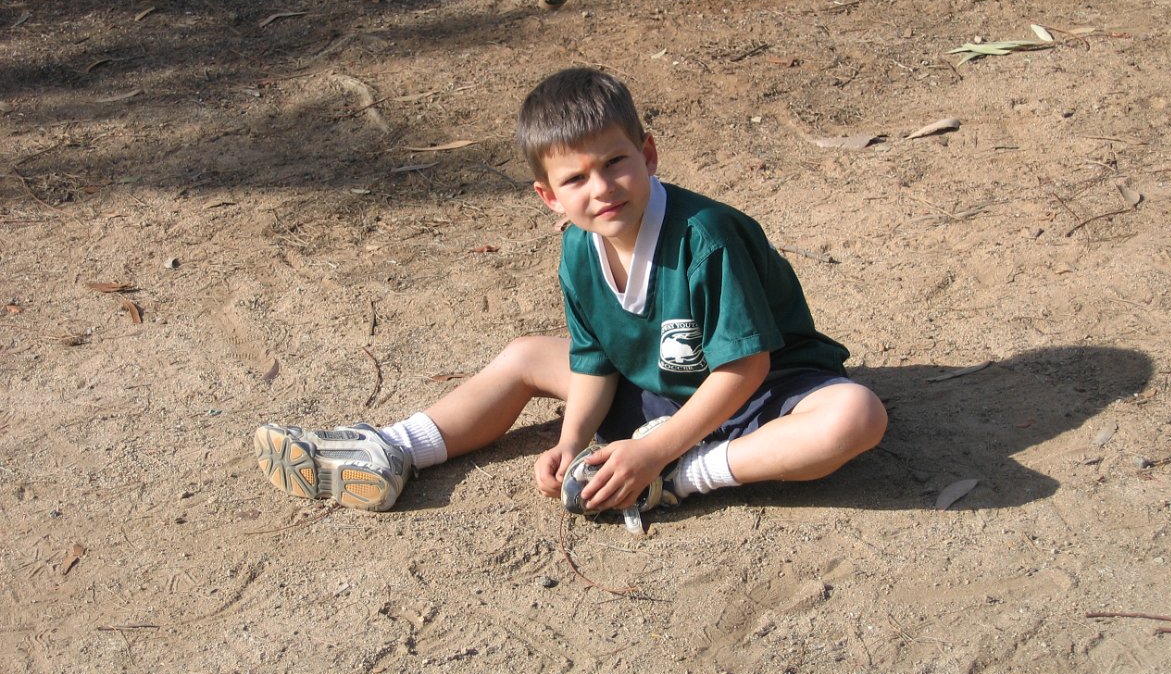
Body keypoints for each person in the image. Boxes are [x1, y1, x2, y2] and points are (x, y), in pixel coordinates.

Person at [254, 67, 887, 525]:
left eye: (615, 163)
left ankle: (680, 477)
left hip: (761, 398)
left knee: (856, 416)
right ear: (549, 197)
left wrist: (656, 453)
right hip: (660, 390)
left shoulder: (707, 237)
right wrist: (572, 438)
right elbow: (594, 362)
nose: (602, 188)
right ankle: (395, 448)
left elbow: (745, 367)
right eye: (576, 178)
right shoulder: (579, 250)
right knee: (526, 355)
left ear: (648, 154)